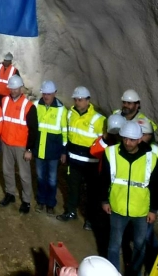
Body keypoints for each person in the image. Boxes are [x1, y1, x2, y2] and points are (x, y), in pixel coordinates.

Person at [101, 121, 158, 276]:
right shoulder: (110, 153)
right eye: (125, 138)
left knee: (140, 245)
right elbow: (104, 179)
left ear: (140, 139)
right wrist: (104, 200)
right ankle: (112, 273)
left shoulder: (151, 158)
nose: (127, 142)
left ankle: (135, 273)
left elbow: (155, 187)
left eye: (132, 139)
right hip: (117, 208)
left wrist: (153, 210)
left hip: (141, 211)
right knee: (114, 245)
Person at [58, 87, 106, 231]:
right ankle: (71, 211)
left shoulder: (99, 119)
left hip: (91, 163)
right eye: (76, 99)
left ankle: (90, 219)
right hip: (73, 161)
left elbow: (104, 142)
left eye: (80, 100)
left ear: (87, 100)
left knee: (92, 192)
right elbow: (67, 134)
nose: (77, 102)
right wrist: (65, 153)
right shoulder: (70, 114)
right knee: (73, 188)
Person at [0, 75, 37, 213]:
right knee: (7, 171)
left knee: (24, 175)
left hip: (21, 146)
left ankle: (26, 201)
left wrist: (29, 149)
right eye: (11, 88)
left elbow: (33, 130)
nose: (13, 91)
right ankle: (10, 194)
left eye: (16, 88)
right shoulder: (4, 101)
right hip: (6, 143)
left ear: (21, 88)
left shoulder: (29, 106)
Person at [34, 80, 67, 215]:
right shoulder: (36, 105)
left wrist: (64, 151)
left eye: (49, 94)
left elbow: (64, 132)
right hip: (39, 149)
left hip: (53, 151)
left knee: (52, 179)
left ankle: (50, 203)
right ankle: (41, 201)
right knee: (40, 177)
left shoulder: (61, 109)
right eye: (44, 93)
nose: (46, 96)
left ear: (55, 93)